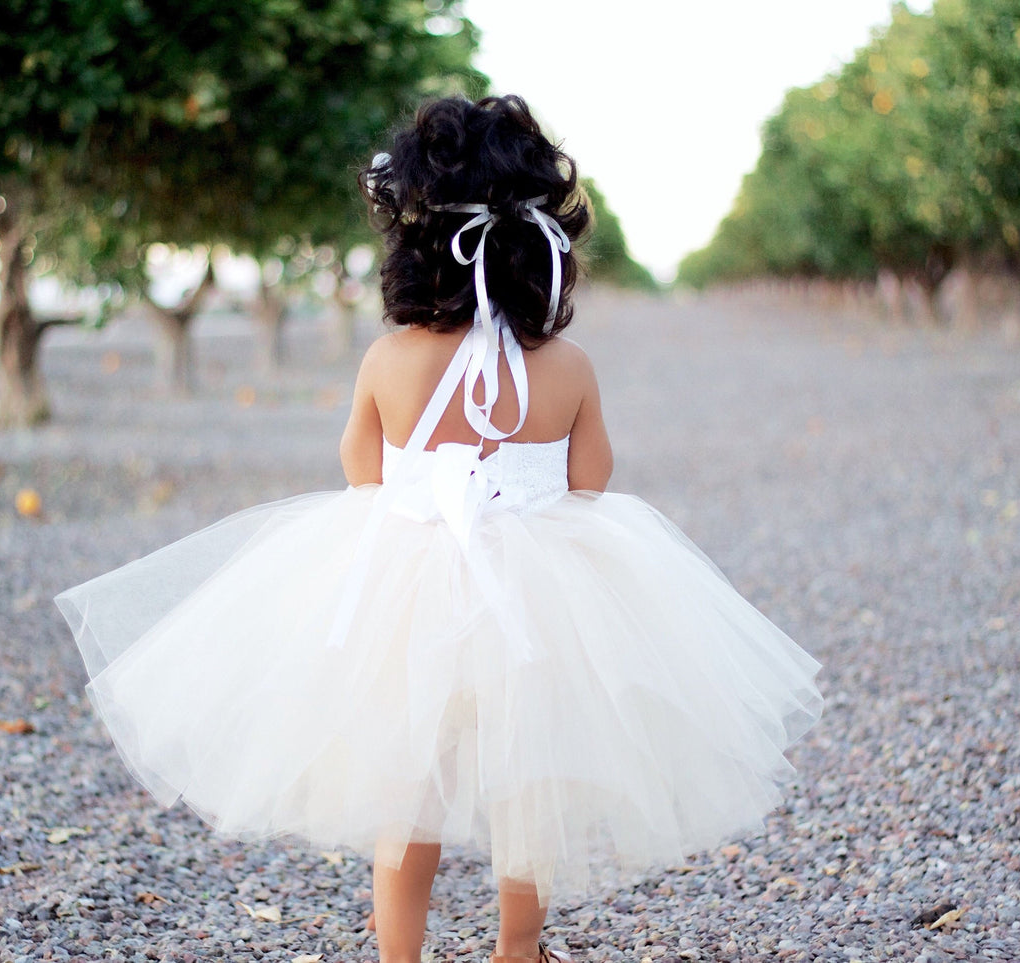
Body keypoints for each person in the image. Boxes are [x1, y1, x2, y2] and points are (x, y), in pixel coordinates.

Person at [55, 94, 822, 963]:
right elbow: (591, 480)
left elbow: (360, 469)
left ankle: (400, 956)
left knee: (405, 792)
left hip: (408, 587)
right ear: (543, 255)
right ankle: (516, 951)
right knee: (528, 785)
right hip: (541, 598)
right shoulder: (566, 367)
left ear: (414, 252)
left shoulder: (388, 359)